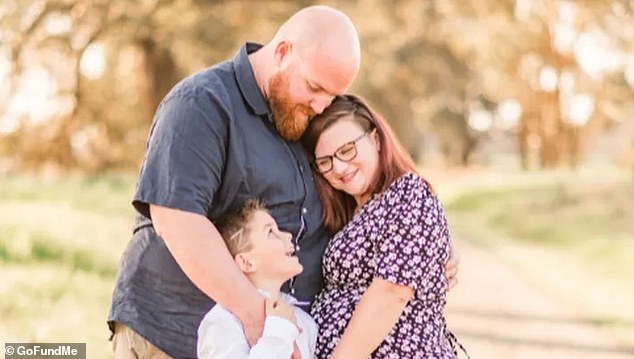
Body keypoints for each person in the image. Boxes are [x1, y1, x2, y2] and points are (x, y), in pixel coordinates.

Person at [108, 5, 458, 358]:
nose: (321, 106)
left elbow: (361, 211)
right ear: (283, 52)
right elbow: (176, 219)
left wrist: (428, 243)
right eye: (314, 88)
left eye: (331, 97)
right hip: (177, 334)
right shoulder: (202, 104)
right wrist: (256, 317)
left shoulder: (300, 120)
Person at [301, 94, 464, 358]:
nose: (339, 167)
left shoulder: (408, 192)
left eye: (346, 150)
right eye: (325, 161)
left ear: (375, 139)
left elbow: (391, 293)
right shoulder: (352, 213)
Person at [197, 199, 317, 359]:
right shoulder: (223, 323)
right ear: (247, 262)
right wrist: (280, 330)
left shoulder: (304, 322)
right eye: (271, 232)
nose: (288, 235)